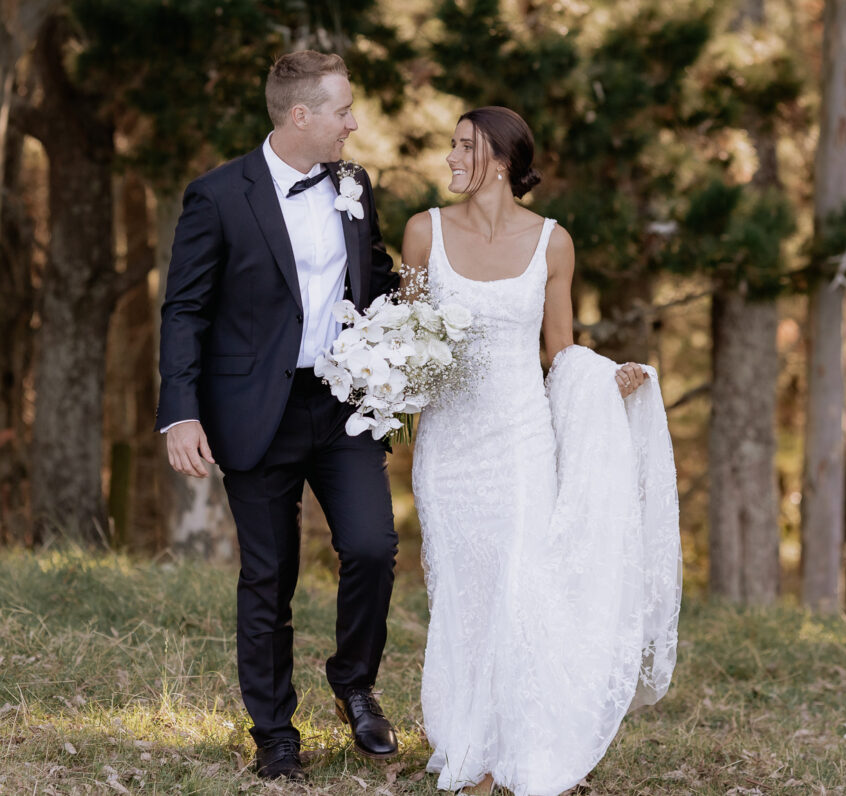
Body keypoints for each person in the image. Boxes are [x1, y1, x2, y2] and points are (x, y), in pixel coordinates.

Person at [400, 107, 682, 796]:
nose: (452, 158)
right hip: (448, 444)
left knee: (520, 587)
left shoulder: (554, 244)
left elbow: (559, 350)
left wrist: (604, 379)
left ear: (499, 159)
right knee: (465, 594)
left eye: (465, 147)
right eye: (453, 146)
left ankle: (518, 745)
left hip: (521, 439)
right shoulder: (422, 232)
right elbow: (404, 333)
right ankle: (468, 742)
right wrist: (388, 374)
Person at [156, 51, 401, 782]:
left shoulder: (354, 186)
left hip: (341, 406)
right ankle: (274, 733)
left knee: (370, 548)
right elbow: (185, 308)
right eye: (342, 111)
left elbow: (378, 277)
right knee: (270, 576)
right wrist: (181, 412)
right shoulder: (218, 195)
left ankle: (354, 684)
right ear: (301, 115)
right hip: (253, 411)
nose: (353, 124)